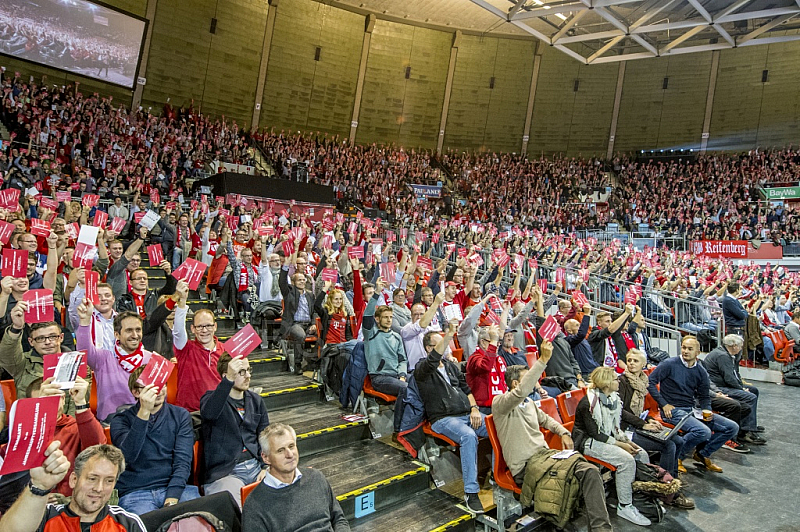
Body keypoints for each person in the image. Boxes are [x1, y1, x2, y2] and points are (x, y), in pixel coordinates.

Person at [493, 341, 613, 532]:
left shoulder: (529, 403)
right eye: (530, 380)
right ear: (516, 384)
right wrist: (542, 361)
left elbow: (549, 421)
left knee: (589, 471)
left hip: (546, 457)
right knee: (567, 482)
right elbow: (522, 391)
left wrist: (564, 432)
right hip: (525, 466)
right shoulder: (500, 404)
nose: (536, 383)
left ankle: (601, 529)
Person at [415, 321, 486, 514]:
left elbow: (466, 389)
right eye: (441, 344)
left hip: (466, 413)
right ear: (430, 348)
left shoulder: (451, 366)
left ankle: (501, 475)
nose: (447, 347)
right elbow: (431, 362)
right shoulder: (422, 368)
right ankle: (471, 493)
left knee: (500, 425)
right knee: (468, 436)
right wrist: (449, 334)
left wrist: (474, 408)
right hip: (443, 419)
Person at [110, 367, 200, 514]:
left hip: (176, 487)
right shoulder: (120, 420)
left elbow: (183, 461)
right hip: (136, 492)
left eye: (161, 384)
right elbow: (128, 456)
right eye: (149, 388)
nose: (157, 391)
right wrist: (144, 412)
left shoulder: (180, 415)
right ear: (136, 392)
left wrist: (172, 496)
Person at [0, 443, 146, 532]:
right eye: (92, 478)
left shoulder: (128, 523)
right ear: (73, 479)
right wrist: (40, 486)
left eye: (108, 481)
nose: (99, 488)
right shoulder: (44, 517)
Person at [573, 367, 652, 526]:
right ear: (606, 384)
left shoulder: (614, 398)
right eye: (615, 379)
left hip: (607, 437)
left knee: (641, 453)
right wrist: (621, 445)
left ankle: (639, 497)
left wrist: (626, 441)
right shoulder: (588, 403)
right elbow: (596, 434)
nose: (618, 381)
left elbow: (615, 428)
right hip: (588, 441)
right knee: (627, 460)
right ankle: (625, 506)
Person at [647, 336, 739, 473]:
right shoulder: (669, 364)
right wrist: (664, 404)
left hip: (691, 410)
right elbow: (650, 383)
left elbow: (704, 396)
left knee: (731, 427)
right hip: (672, 411)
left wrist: (707, 410)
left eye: (690, 349)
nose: (685, 351)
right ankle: (677, 457)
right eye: (684, 347)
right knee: (703, 431)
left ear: (698, 352)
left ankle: (703, 454)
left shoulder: (700, 371)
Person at [618, 350, 696, 509]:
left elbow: (638, 411)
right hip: (625, 430)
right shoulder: (621, 382)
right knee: (668, 445)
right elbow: (621, 411)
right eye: (629, 360)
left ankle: (673, 480)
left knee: (678, 441)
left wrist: (650, 419)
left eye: (635, 361)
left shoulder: (642, 381)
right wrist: (643, 424)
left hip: (637, 424)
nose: (631, 363)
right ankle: (666, 492)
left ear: (643, 365)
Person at [241, 423, 350, 531]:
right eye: (280, 450)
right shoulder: (254, 505)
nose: (289, 454)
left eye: (291, 446)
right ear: (266, 458)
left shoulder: (316, 477)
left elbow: (339, 519)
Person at [201, 354, 270, 507]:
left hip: (256, 467)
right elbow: (209, 413)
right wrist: (227, 382)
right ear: (227, 376)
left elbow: (266, 437)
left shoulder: (256, 400)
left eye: (248, 370)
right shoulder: (211, 398)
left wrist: (267, 466)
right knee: (237, 511)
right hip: (225, 473)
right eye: (241, 372)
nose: (248, 376)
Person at [77, 303, 153, 422]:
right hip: (110, 424)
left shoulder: (152, 359)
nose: (135, 335)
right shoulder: (104, 358)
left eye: (138, 330)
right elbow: (84, 351)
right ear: (116, 335)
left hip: (146, 421)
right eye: (129, 330)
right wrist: (85, 321)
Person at [703, 335, 766, 446]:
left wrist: (741, 387)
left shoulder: (730, 354)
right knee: (750, 396)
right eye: (740, 346)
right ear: (734, 346)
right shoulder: (722, 356)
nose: (742, 348)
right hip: (719, 388)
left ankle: (750, 425)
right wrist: (741, 389)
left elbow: (735, 374)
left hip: (725, 384)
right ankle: (745, 431)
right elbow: (729, 378)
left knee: (753, 390)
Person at [172, 280, 225, 411]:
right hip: (189, 414)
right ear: (193, 329)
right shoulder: (185, 349)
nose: (204, 330)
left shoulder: (226, 350)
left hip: (218, 412)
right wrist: (182, 301)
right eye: (200, 326)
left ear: (215, 327)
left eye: (208, 326)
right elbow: (178, 331)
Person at [363, 278, 408, 398]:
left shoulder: (396, 337)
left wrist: (402, 375)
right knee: (407, 389)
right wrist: (377, 293)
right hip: (380, 378)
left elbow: (402, 360)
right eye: (385, 317)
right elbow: (367, 315)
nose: (389, 320)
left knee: (424, 382)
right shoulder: (370, 333)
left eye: (391, 317)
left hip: (397, 375)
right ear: (377, 319)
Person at [279, 253, 317, 373]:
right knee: (300, 336)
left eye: (303, 280)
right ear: (294, 283)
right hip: (294, 324)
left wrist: (314, 323)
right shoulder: (289, 292)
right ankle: (297, 364)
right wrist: (286, 265)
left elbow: (315, 311)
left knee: (325, 332)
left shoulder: (310, 294)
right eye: (299, 280)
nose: (302, 282)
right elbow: (282, 281)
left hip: (308, 324)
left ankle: (313, 362)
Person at [466, 325, 506, 414]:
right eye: (492, 341)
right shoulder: (474, 358)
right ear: (483, 342)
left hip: (502, 404)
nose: (497, 345)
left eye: (498, 342)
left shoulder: (500, 359)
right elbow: (486, 366)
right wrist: (493, 345)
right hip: (484, 408)